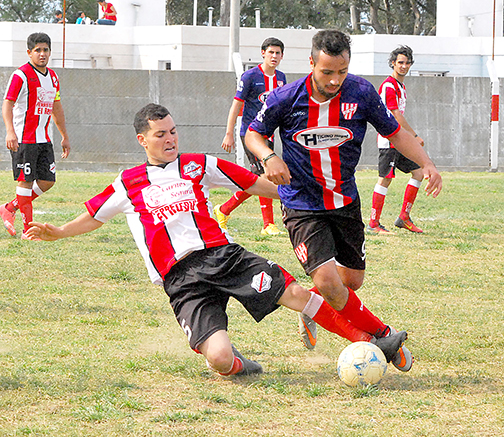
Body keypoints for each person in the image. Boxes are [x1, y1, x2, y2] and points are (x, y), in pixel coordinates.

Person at [25, 104, 407, 378]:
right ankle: (241, 365)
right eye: (161, 134)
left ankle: (369, 342)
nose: (170, 139)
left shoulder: (197, 164)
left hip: (224, 256)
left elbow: (254, 183)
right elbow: (93, 216)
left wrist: (299, 194)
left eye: (173, 131)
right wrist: (57, 231)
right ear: (143, 139)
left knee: (296, 295)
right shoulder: (128, 182)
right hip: (180, 279)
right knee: (220, 359)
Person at [246, 29, 443, 371]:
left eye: (342, 71)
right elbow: (253, 133)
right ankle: (379, 337)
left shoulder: (362, 92)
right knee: (329, 282)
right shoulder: (284, 98)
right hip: (302, 204)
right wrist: (268, 156)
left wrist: (426, 163)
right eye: (327, 72)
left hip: (345, 200)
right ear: (311, 64)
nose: (335, 80)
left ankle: (314, 310)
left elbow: (395, 133)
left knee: (350, 283)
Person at [2, 32, 70, 239]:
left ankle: (9, 207)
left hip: (44, 139)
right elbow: (7, 104)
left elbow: (56, 108)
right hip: (24, 139)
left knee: (47, 181)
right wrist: (10, 131)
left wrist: (64, 136)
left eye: (46, 50)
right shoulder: (20, 75)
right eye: (38, 50)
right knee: (25, 182)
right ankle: (28, 232)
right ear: (29, 52)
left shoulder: (53, 77)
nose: (42, 54)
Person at [217, 38, 287, 236]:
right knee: (267, 175)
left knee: (257, 179)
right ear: (263, 53)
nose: (274, 56)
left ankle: (224, 210)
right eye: (271, 52)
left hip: (269, 134)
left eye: (278, 53)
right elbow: (236, 105)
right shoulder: (250, 77)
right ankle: (268, 225)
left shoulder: (281, 78)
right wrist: (229, 133)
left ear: (282, 56)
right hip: (251, 134)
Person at [367, 45, 426, 234]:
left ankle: (404, 217)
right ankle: (374, 223)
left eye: (407, 63)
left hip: (399, 141)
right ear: (393, 63)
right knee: (385, 179)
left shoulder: (401, 86)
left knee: (418, 173)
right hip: (389, 140)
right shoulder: (388, 86)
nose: (404, 66)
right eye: (400, 62)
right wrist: (413, 136)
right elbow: (394, 114)